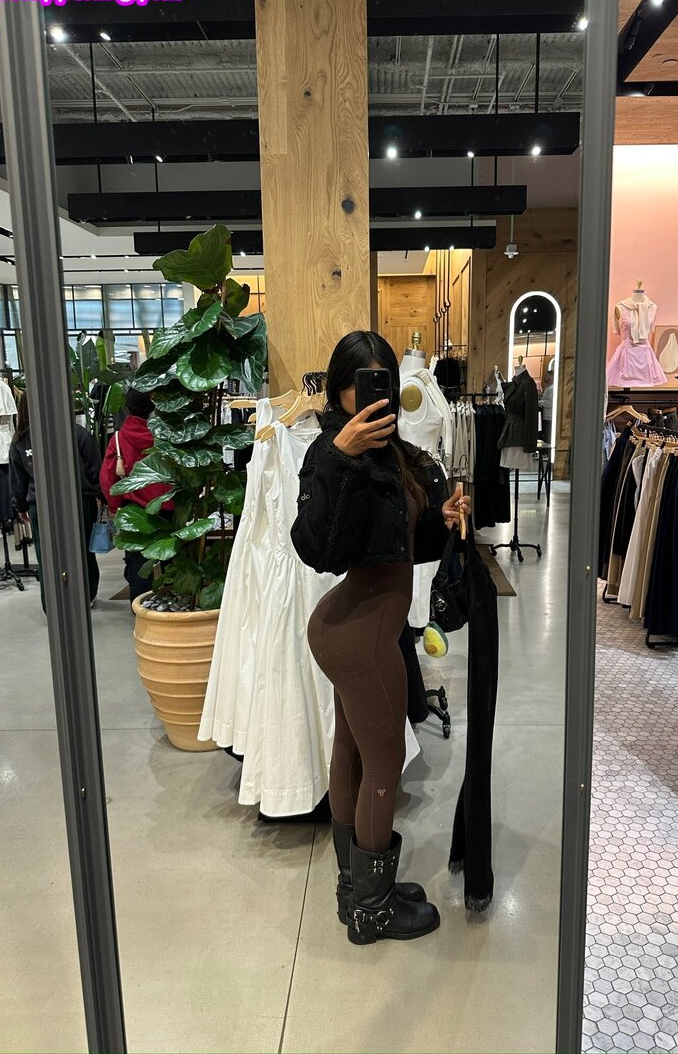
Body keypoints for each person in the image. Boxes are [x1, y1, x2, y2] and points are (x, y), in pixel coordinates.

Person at [291, 330, 470, 946]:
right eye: (360, 383)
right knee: (385, 763)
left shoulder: (391, 453)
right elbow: (320, 550)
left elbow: (396, 544)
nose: (375, 395)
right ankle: (372, 910)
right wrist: (340, 459)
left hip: (356, 630)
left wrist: (439, 519)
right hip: (360, 638)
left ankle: (356, 887)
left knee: (352, 752)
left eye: (383, 382)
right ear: (338, 389)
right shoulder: (329, 453)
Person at [9, 391, 102, 612]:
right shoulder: (76, 433)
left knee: (46, 556)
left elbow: (18, 479)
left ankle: (51, 605)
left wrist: (21, 506)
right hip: (80, 501)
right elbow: (95, 469)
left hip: (41, 505)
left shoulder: (21, 441)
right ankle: (87, 596)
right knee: (83, 551)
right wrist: (101, 496)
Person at [100, 388, 173, 604]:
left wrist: (114, 507)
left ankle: (140, 607)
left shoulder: (119, 439)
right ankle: (174, 605)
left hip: (135, 511)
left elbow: (108, 478)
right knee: (170, 556)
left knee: (137, 562)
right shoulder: (163, 436)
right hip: (167, 506)